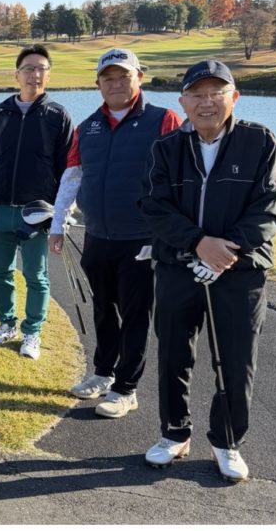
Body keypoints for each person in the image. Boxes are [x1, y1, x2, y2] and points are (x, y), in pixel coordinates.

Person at [140, 60, 276, 482]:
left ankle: (226, 441)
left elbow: (271, 206)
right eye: (197, 95)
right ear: (183, 101)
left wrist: (225, 251)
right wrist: (198, 243)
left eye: (216, 93)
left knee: (235, 358)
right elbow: (153, 206)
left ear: (233, 97)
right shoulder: (166, 148)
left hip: (241, 271)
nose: (206, 103)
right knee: (173, 353)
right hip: (179, 265)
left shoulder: (259, 141)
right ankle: (174, 432)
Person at [49, 48, 182, 418]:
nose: (116, 83)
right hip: (98, 236)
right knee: (103, 310)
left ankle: (126, 388)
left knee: (135, 313)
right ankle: (103, 372)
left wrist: (170, 233)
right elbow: (72, 177)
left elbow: (180, 177)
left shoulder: (164, 119)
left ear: (139, 77)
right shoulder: (87, 126)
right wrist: (58, 224)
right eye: (108, 78)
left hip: (142, 238)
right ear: (98, 84)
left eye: (124, 76)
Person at [0, 45, 75, 360]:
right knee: (1, 271)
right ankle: (6, 324)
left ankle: (32, 332)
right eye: (29, 68)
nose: (35, 74)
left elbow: (68, 170)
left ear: (48, 75)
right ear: (17, 74)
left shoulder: (58, 115)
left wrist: (59, 212)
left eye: (41, 68)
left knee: (36, 276)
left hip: (37, 212)